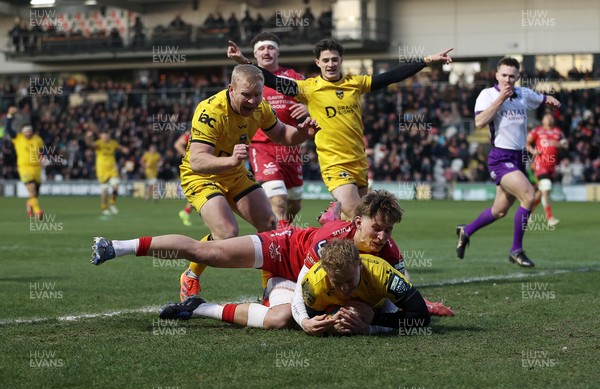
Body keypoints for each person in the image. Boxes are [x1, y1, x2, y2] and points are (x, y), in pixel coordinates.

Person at [90, 191, 454, 331]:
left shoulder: (388, 250)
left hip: (299, 279)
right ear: (358, 221)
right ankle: (115, 246)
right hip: (285, 250)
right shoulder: (332, 240)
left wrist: (421, 309)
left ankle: (198, 308)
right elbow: (305, 289)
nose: (384, 236)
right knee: (209, 251)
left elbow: (399, 293)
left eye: (389, 230)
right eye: (378, 227)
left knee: (279, 321)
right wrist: (313, 321)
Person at [227, 38, 452, 221]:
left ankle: (332, 224)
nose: (331, 64)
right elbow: (271, 81)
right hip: (334, 163)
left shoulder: (356, 83)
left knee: (360, 217)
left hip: (359, 162)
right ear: (318, 63)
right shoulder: (309, 88)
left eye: (335, 59)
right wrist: (243, 61)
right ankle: (379, 262)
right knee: (359, 216)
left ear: (341, 60)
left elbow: (391, 77)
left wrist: (427, 60)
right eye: (326, 60)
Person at [177, 64, 319, 302]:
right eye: (246, 95)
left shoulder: (261, 108)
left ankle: (268, 289)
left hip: (234, 172)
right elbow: (197, 161)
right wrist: (232, 160)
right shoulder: (210, 110)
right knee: (226, 234)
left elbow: (283, 135)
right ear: (231, 89)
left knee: (270, 223)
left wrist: (303, 134)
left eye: (257, 95)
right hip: (202, 175)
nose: (253, 101)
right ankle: (191, 275)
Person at [456, 57, 561, 267]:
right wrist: (500, 100)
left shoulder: (523, 94)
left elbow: (540, 98)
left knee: (500, 210)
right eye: (504, 75)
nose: (507, 79)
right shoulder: (487, 95)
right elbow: (479, 122)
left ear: (517, 77)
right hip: (500, 158)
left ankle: (465, 231)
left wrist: (549, 98)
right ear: (496, 75)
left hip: (518, 158)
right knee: (529, 197)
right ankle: (516, 250)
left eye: (512, 76)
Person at [293, 239, 430, 336]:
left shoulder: (381, 273)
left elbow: (422, 316)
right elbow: (312, 318)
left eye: (349, 280)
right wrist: (331, 323)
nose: (345, 288)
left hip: (381, 302)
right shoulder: (314, 283)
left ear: (360, 264)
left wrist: (375, 319)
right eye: (337, 282)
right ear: (326, 272)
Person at [248, 32, 309, 229]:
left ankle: (280, 229)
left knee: (294, 204)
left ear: (278, 52)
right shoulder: (248, 78)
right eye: (262, 49)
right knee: (279, 199)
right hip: (262, 146)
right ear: (255, 54)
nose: (266, 52)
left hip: (291, 146)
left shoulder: (293, 77)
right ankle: (281, 243)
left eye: (270, 47)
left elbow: (317, 99)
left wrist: (310, 108)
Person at [526, 113, 567, 226]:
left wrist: (560, 144)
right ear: (542, 120)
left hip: (552, 166)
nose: (548, 118)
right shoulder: (537, 130)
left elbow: (566, 145)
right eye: (546, 116)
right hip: (540, 164)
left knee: (541, 191)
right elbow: (526, 143)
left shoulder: (558, 131)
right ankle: (550, 218)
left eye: (550, 116)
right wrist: (533, 151)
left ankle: (528, 213)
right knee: (547, 188)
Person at [4, 106, 45, 220]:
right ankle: (38, 212)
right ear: (23, 132)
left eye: (29, 131)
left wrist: (43, 157)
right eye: (26, 131)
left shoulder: (37, 139)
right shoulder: (18, 138)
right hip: (24, 168)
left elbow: (43, 151)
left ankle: (29, 206)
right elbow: (8, 129)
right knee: (31, 189)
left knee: (34, 195)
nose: (28, 133)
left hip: (37, 169)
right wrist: (9, 116)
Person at [85, 131, 130, 215]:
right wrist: (87, 137)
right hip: (102, 169)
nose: (105, 137)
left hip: (112, 168)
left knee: (116, 187)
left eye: (107, 135)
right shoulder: (98, 144)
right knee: (105, 190)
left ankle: (112, 203)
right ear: (101, 136)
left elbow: (119, 147)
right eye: (104, 135)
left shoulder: (113, 143)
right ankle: (104, 207)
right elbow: (89, 144)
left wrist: (124, 149)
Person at [173, 131, 194, 226]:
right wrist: (188, 157)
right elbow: (177, 144)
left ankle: (186, 211)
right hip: (194, 166)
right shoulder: (194, 131)